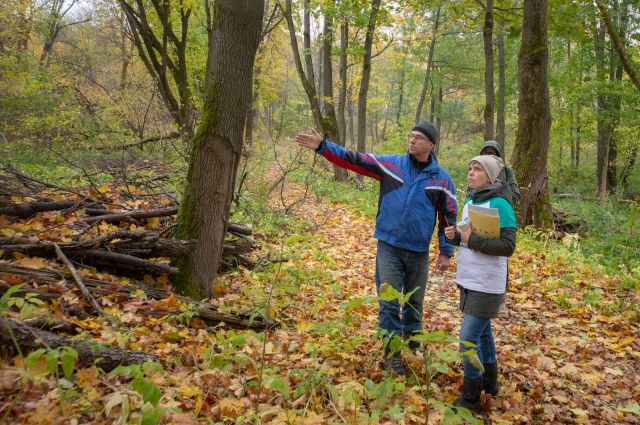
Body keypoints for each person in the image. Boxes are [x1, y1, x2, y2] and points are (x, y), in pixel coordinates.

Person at [296, 121, 458, 378]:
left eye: (418, 137)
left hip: (419, 252)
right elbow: (354, 160)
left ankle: (413, 344)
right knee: (390, 303)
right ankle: (392, 357)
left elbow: (449, 216)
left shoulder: (441, 178)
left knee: (414, 303)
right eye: (411, 135)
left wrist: (445, 251)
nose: (412, 140)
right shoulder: (391, 164)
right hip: (389, 247)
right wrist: (323, 147)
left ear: (431, 144)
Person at [444, 155, 516, 411]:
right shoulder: (469, 201)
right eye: (470, 169)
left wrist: (471, 240)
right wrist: (455, 237)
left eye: (477, 169)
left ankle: (471, 397)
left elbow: (507, 246)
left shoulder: (501, 204)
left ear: (491, 176)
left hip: (488, 282)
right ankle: (490, 382)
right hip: (468, 278)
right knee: (483, 333)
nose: (471, 173)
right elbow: (468, 239)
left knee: (468, 337)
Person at [466, 140, 519, 318]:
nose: (490, 154)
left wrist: (498, 192)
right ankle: (476, 298)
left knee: (499, 259)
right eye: (486, 151)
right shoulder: (477, 171)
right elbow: (470, 191)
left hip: (498, 217)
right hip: (478, 215)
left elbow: (515, 193)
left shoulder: (506, 171)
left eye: (493, 152)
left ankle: (500, 300)